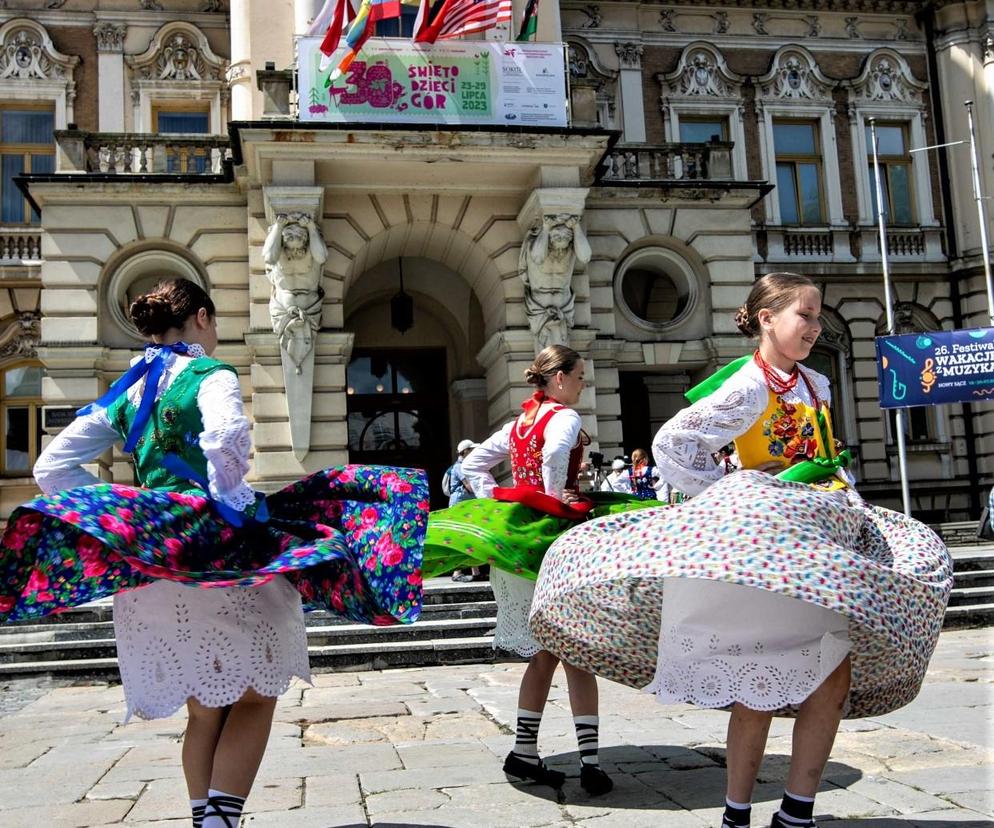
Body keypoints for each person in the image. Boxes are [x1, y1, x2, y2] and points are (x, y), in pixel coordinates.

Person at [530, 272, 952, 828]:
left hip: (819, 544)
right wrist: (735, 498)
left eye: (817, 315)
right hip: (771, 550)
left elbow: (825, 457)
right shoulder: (747, 386)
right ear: (766, 318)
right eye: (804, 315)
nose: (814, 326)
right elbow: (673, 444)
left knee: (833, 677)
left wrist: (852, 506)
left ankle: (795, 813)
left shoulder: (814, 385)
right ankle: (737, 814)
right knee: (761, 681)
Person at [0, 279, 428, 828]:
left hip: (155, 565)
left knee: (202, 714)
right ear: (201, 317)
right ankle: (221, 823)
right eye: (216, 321)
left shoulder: (130, 390)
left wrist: (129, 519)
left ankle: (208, 821)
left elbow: (49, 467)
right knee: (254, 698)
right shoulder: (211, 373)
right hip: (222, 558)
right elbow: (226, 435)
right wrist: (229, 502)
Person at [420, 345, 652, 795]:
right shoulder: (564, 418)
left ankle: (528, 753)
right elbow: (553, 458)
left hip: (520, 543)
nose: (584, 383)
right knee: (575, 651)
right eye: (580, 375)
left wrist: (497, 498)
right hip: (554, 539)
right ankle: (588, 762)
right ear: (559, 378)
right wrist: (554, 503)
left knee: (548, 653)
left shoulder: (518, 423)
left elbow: (472, 465)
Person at [445, 438, 483, 582]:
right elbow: (469, 486)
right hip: (460, 506)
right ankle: (457, 572)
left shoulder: (465, 465)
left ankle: (476, 571)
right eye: (472, 450)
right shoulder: (460, 466)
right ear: (465, 451)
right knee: (459, 537)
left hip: (467, 505)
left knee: (470, 535)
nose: (474, 452)